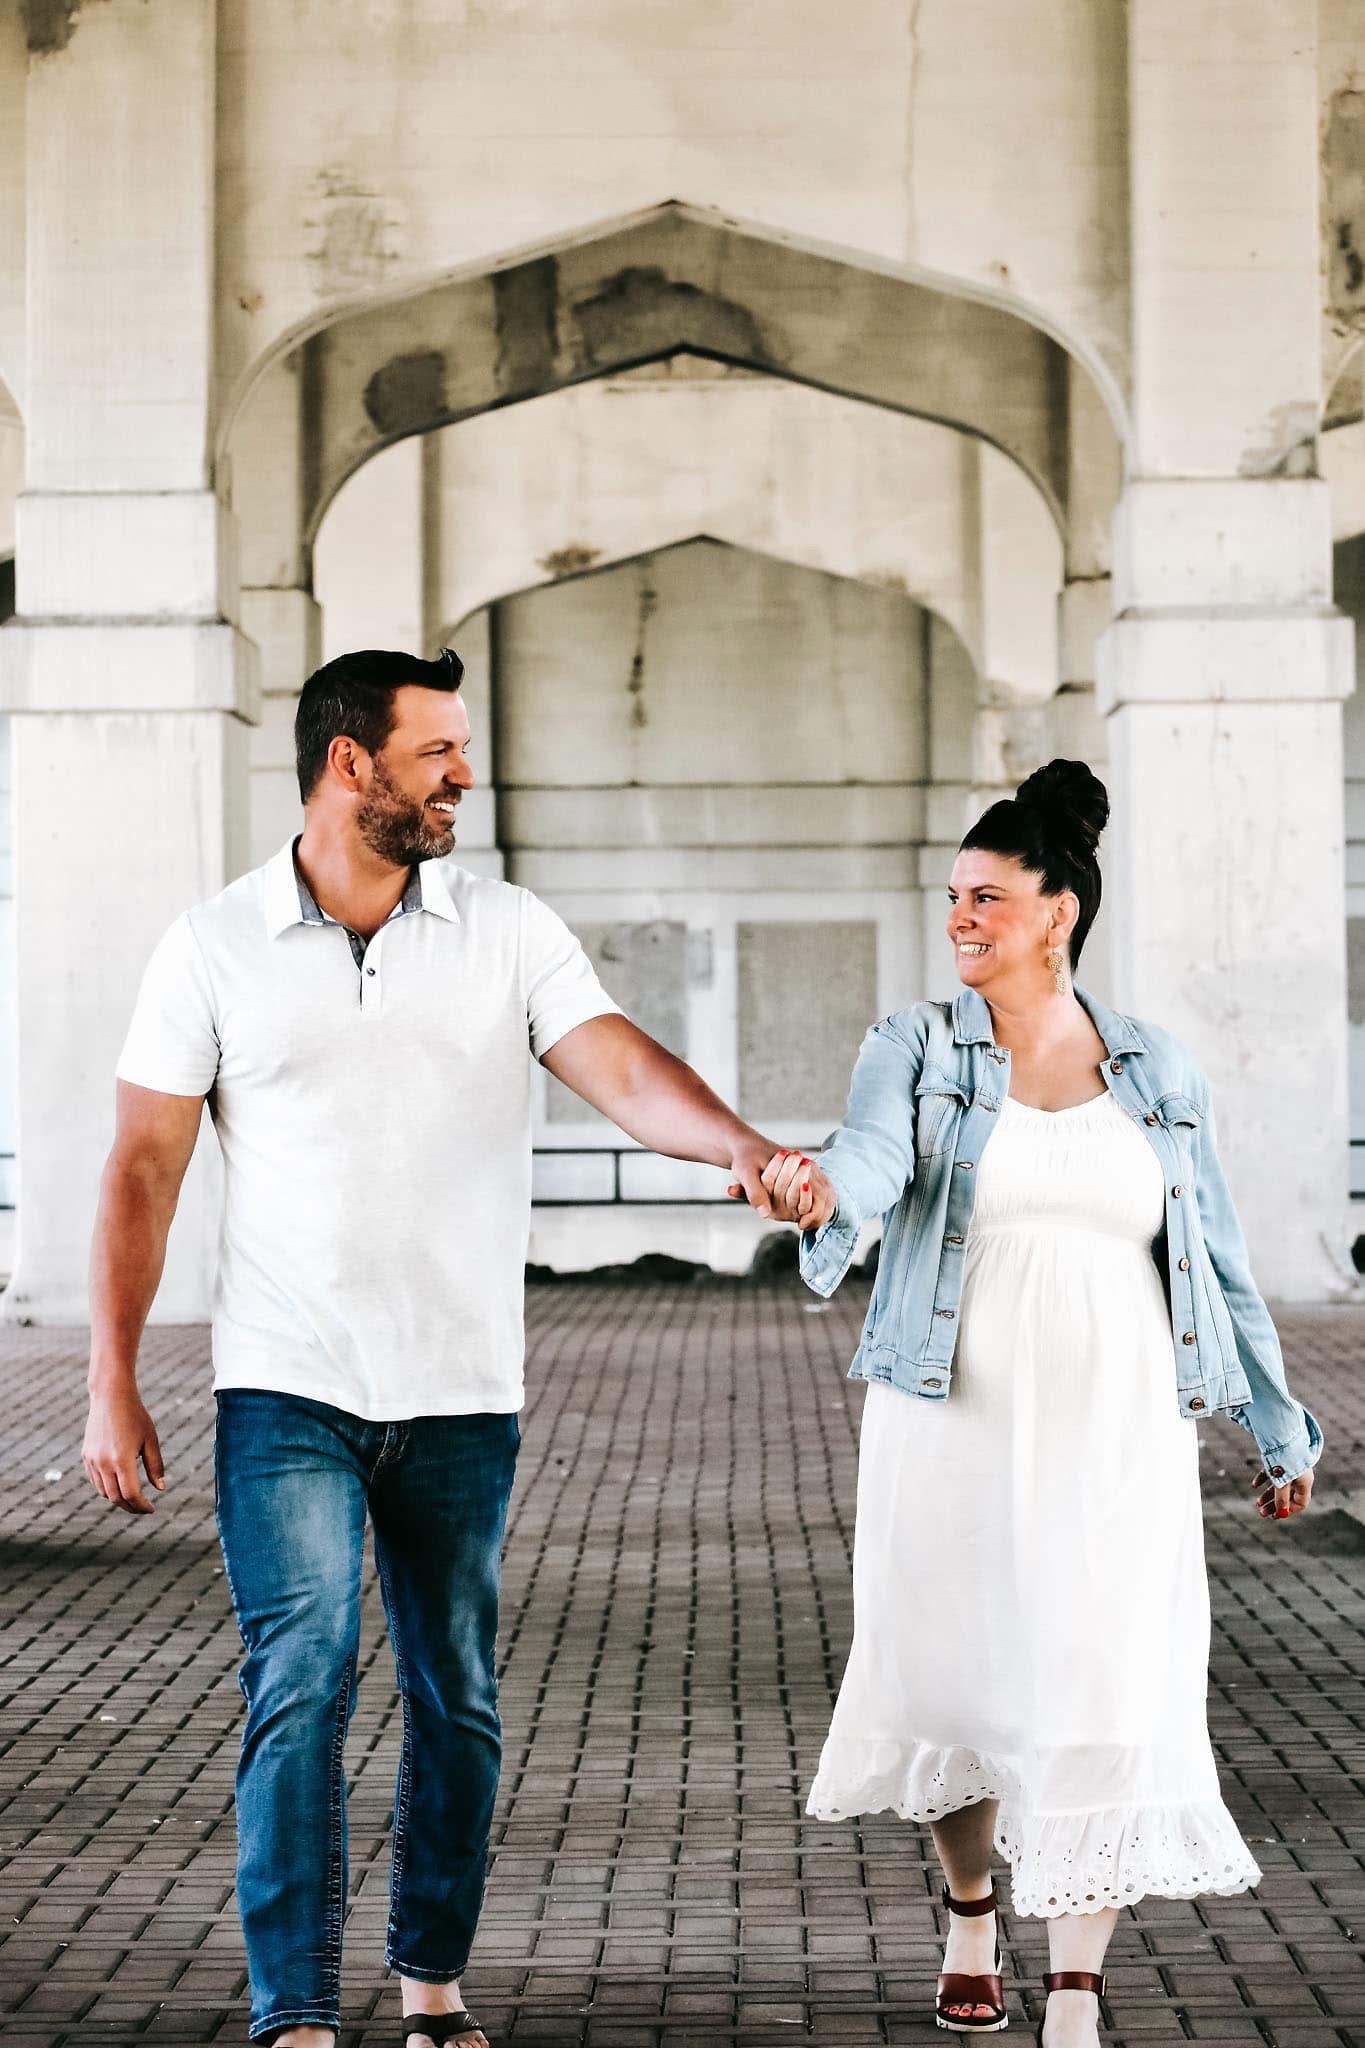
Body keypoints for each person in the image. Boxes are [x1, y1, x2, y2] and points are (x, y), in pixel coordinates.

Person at [81, 647, 785, 2048]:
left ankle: (430, 1983)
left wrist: (743, 1150)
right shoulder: (210, 945)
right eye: (437, 752)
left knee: (455, 1697)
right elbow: (142, 1171)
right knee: (304, 1676)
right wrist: (110, 1379)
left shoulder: (505, 928)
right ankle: (294, 2007)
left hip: (462, 1388)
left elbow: (622, 1064)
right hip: (286, 1386)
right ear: (351, 765)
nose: (466, 773)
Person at [760, 760, 1321, 2047]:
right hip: (953, 1413)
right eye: (952, 896)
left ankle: (1074, 1983)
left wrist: (1279, 1427)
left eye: (988, 897)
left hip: (1119, 1423)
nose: (961, 917)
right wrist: (818, 1192)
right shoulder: (915, 1045)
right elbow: (870, 1159)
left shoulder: (1156, 1065)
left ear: (1058, 909)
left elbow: (1217, 1257)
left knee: (1106, 1674)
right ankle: (970, 1907)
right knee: (956, 1668)